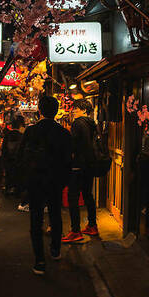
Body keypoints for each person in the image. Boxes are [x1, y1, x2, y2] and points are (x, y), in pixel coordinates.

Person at [17, 96, 71, 275]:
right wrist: (64, 180)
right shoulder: (63, 133)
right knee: (55, 215)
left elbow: (20, 157)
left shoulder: (31, 131)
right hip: (55, 181)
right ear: (56, 112)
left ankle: (39, 260)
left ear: (39, 110)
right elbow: (68, 160)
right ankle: (55, 250)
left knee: (36, 219)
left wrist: (24, 180)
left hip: (35, 181)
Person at [63, 99, 99, 243]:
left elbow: (73, 144)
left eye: (76, 108)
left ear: (84, 110)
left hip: (77, 165)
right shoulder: (91, 124)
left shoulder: (78, 123)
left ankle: (75, 231)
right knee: (88, 195)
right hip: (89, 165)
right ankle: (92, 225)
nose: (74, 111)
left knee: (73, 197)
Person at [2, 115, 27, 210]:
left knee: (9, 175)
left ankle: (8, 190)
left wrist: (4, 161)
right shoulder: (21, 136)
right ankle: (17, 192)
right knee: (18, 176)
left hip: (8, 160)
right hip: (18, 161)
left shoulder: (7, 135)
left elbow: (4, 149)